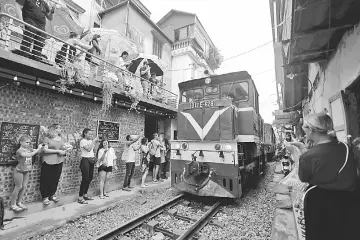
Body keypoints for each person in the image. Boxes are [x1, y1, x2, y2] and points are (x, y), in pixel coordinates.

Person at [288, 113, 358, 240]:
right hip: (349, 201)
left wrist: (295, 153)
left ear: (310, 130)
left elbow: (302, 177)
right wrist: (304, 149)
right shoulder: (345, 147)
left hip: (320, 205)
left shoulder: (308, 157)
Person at [10, 135, 43, 212]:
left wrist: (41, 147)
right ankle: (13, 204)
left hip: (26, 170)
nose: (28, 144)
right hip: (19, 170)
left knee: (24, 187)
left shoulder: (29, 149)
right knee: (18, 186)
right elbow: (29, 155)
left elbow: (39, 151)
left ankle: (19, 202)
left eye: (29, 142)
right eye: (26, 142)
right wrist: (37, 149)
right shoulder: (19, 151)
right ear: (21, 142)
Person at [40, 124, 69, 205]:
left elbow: (63, 148)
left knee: (55, 178)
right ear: (54, 129)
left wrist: (66, 150)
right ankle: (45, 196)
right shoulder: (47, 138)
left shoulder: (62, 138)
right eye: (59, 127)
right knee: (46, 179)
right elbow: (45, 150)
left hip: (59, 161)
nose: (61, 129)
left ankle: (52, 194)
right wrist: (58, 151)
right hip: (48, 160)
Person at [78, 128, 98, 204]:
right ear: (85, 134)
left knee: (89, 178)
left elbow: (93, 150)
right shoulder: (83, 141)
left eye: (92, 134)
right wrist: (93, 141)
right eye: (89, 134)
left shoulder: (90, 141)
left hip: (91, 160)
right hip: (85, 160)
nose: (91, 135)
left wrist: (94, 143)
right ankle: (80, 197)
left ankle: (85, 194)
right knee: (85, 178)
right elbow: (88, 149)